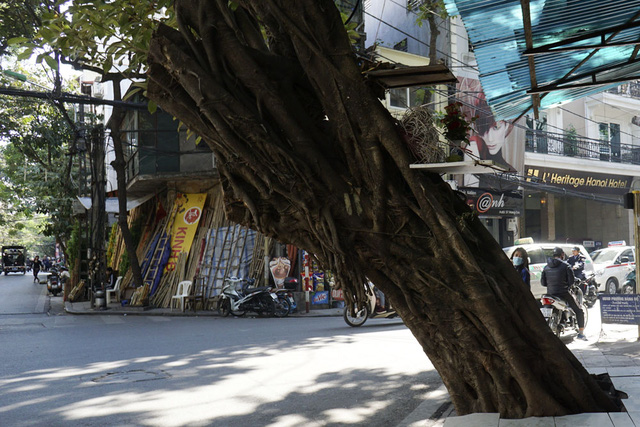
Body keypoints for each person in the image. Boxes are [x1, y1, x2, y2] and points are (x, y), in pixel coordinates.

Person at [541, 247, 587, 340]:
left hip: (550, 294)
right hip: (563, 293)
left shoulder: (546, 267)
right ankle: (581, 333)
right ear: (562, 254)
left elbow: (543, 283)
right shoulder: (566, 266)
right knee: (579, 310)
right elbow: (571, 282)